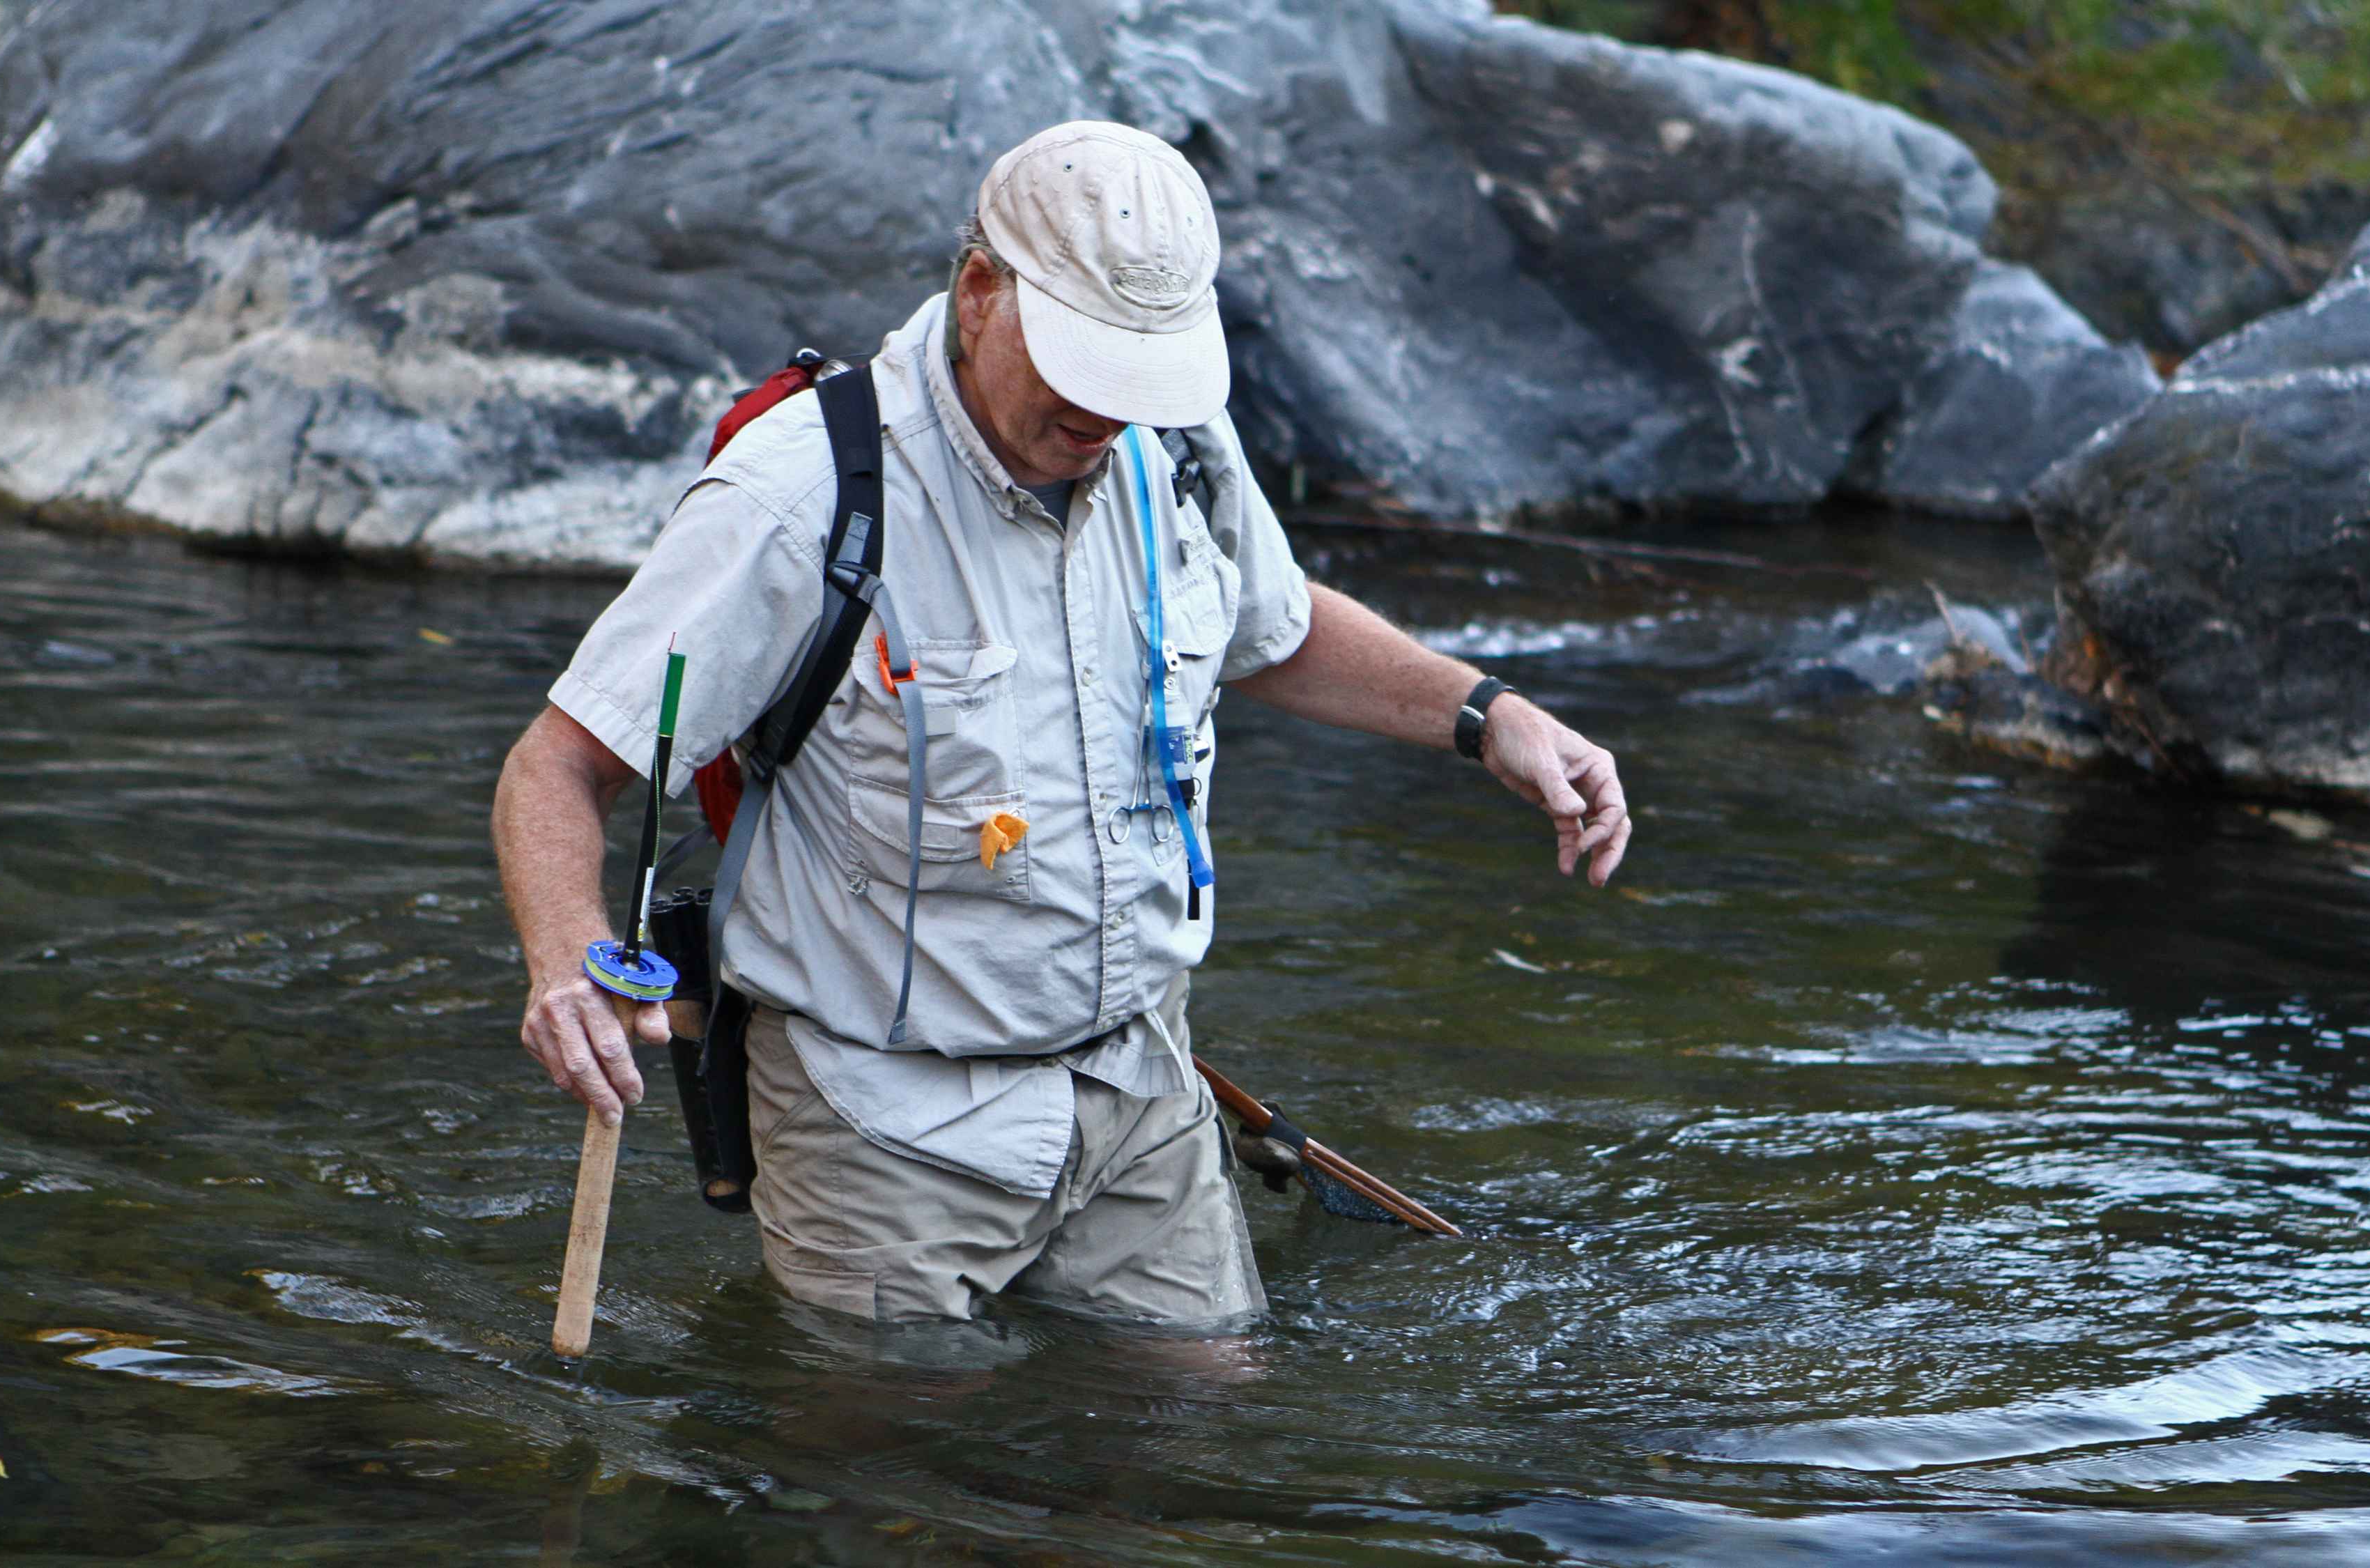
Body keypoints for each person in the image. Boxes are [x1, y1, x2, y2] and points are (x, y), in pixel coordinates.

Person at [493, 121, 1630, 1328]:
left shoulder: (1174, 445)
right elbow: (558, 766)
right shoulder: (798, 497)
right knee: (894, 1488)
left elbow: (1274, 631)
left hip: (1142, 1088)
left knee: (1191, 1446)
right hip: (882, 1122)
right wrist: (566, 966)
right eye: (1084, 367)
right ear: (980, 293)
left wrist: (1486, 713)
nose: (1107, 416)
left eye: (1140, 375)